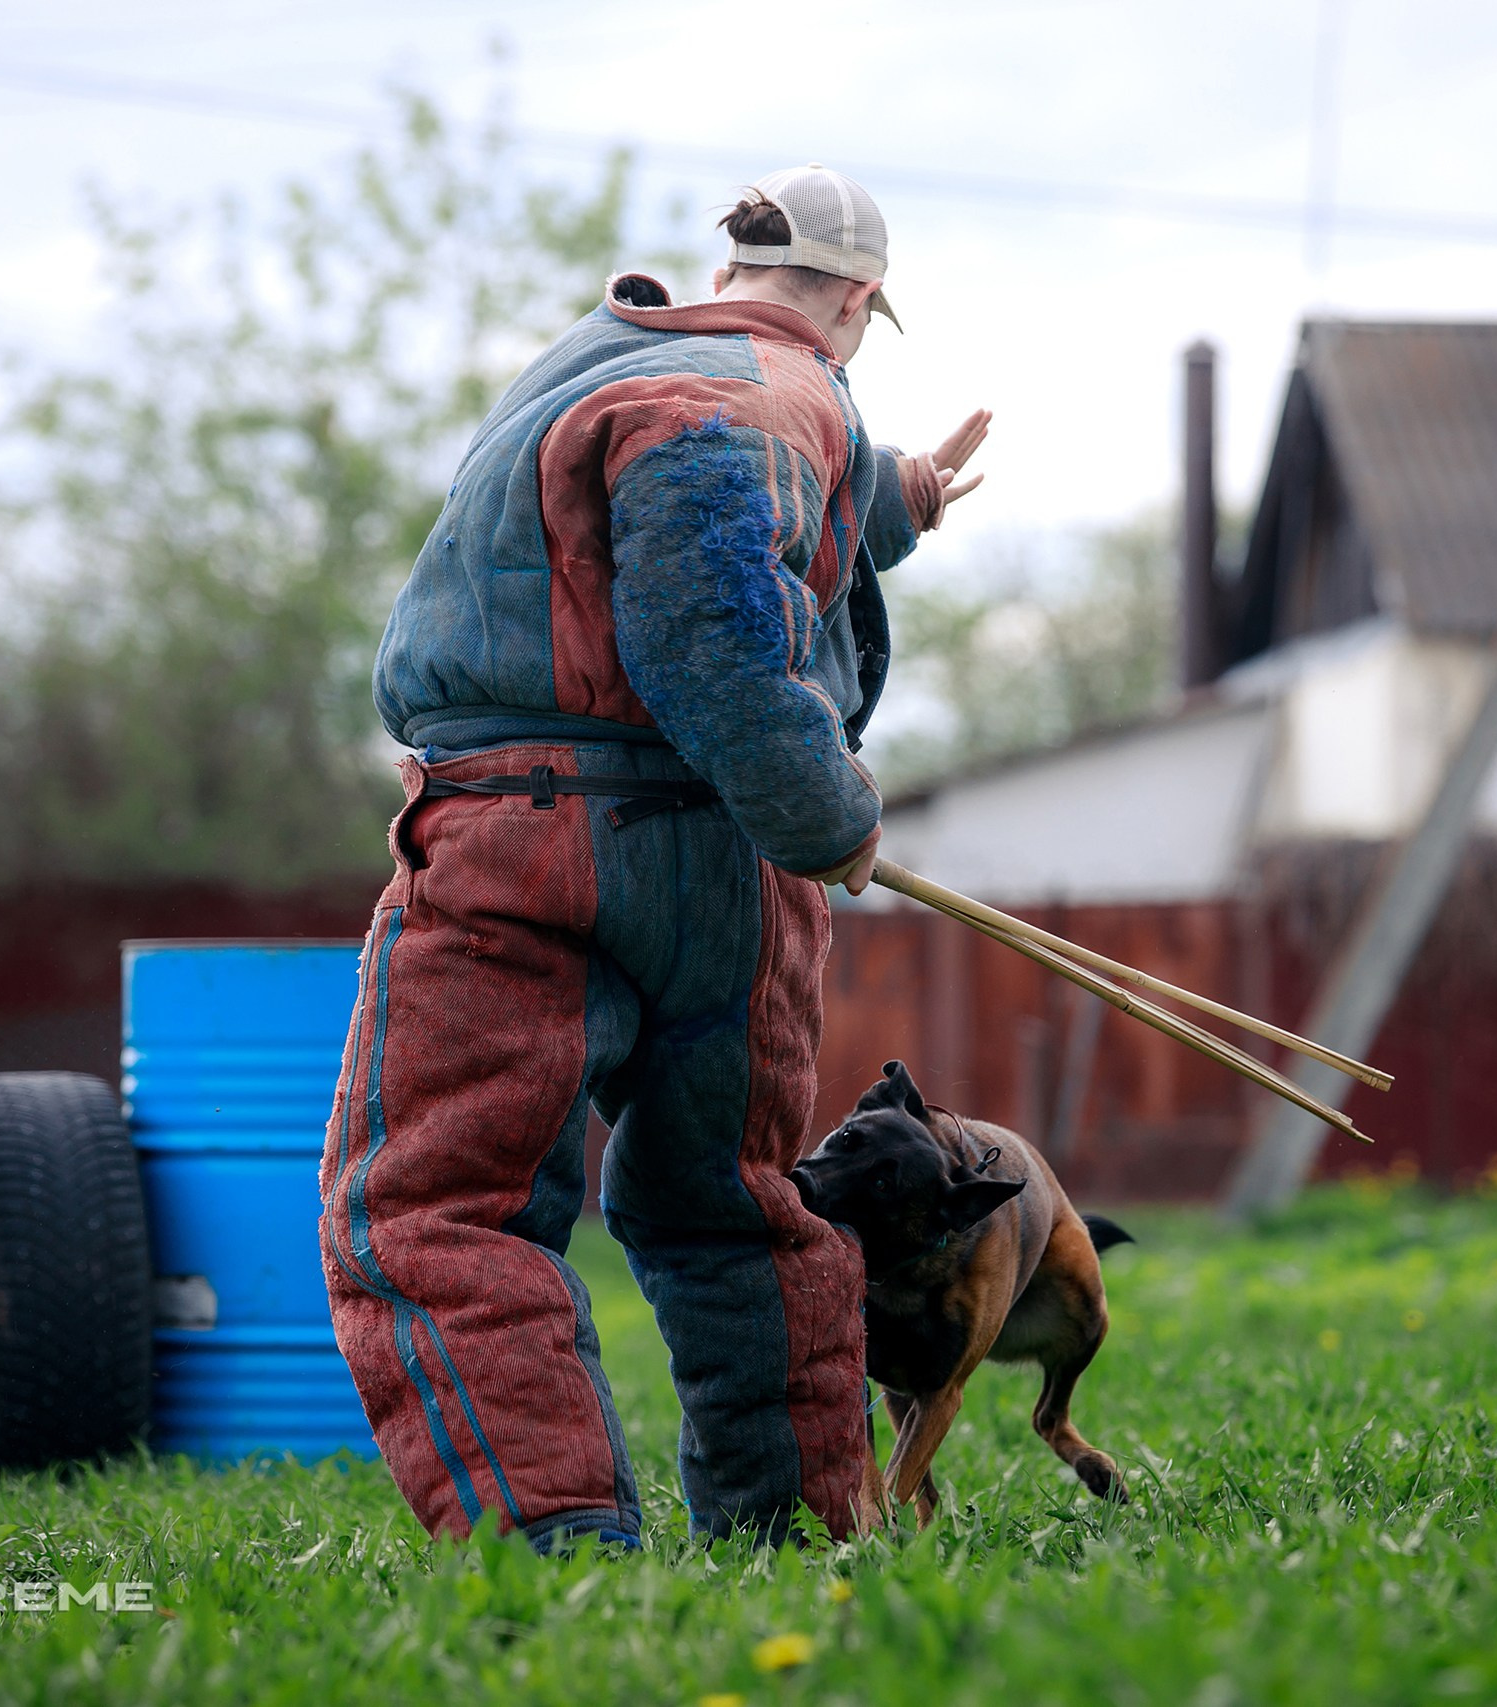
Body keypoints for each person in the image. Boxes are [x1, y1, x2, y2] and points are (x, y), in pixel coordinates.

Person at [318, 163, 988, 1548]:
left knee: (438, 1206)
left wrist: (897, 498)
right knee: (729, 1209)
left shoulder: (617, 360)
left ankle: (553, 1540)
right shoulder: (769, 396)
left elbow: (712, 577)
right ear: (856, 302)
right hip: (730, 874)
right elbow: (719, 600)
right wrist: (827, 817)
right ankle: (800, 1529)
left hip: (521, 843)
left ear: (733, 272)